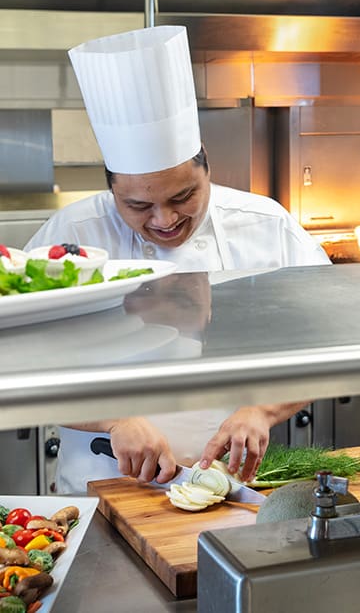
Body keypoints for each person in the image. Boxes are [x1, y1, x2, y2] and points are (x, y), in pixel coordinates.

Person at [24, 25, 331, 494]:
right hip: (100, 487)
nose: (165, 220)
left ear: (207, 166)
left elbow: (330, 343)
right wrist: (113, 419)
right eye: (138, 206)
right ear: (111, 190)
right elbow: (19, 366)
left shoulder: (266, 226)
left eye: (183, 195)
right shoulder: (71, 238)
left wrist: (263, 409)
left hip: (233, 486)